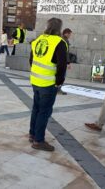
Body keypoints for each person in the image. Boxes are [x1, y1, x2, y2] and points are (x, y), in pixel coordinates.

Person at [29, 18, 68, 152]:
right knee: (44, 112)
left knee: (36, 108)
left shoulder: (38, 40)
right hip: (48, 83)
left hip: (35, 80)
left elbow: (31, 60)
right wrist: (59, 82)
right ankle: (38, 140)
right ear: (59, 28)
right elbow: (62, 65)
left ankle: (32, 133)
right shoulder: (59, 42)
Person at [59, 28, 73, 95]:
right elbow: (66, 52)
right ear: (66, 33)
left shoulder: (59, 38)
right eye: (70, 34)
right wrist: (68, 62)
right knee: (62, 76)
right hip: (63, 61)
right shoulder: (65, 40)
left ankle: (56, 89)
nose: (70, 36)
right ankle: (58, 89)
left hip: (58, 60)